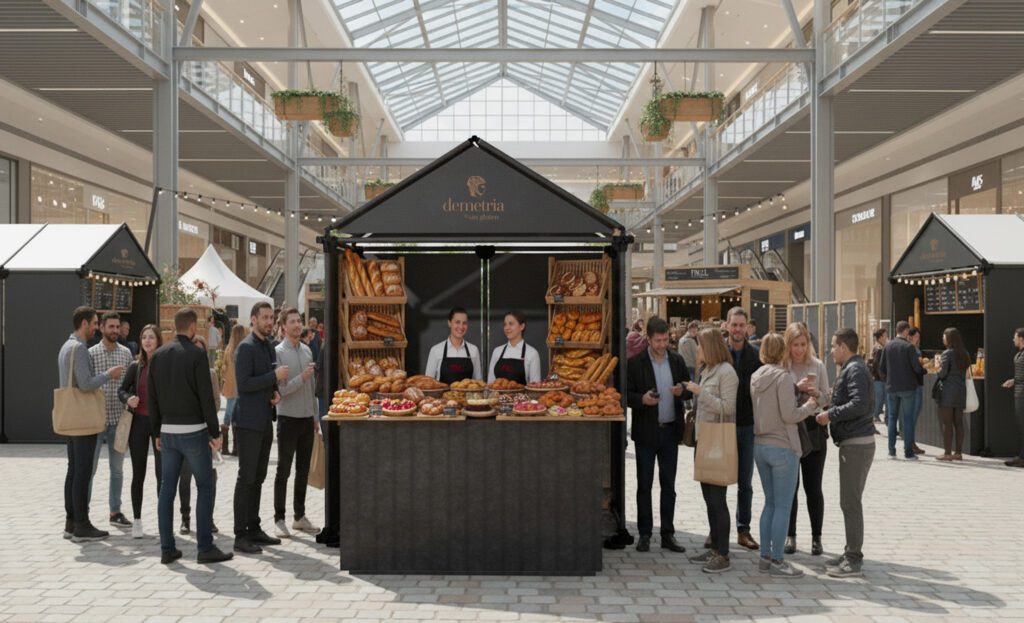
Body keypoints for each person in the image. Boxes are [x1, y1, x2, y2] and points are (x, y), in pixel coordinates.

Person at [148, 307, 232, 565]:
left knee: (167, 490)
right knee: (205, 486)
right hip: (194, 431)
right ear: (193, 327)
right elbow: (206, 397)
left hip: (167, 432)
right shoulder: (196, 355)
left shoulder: (158, 356)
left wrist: (156, 432)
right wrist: (215, 432)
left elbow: (152, 398)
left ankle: (167, 548)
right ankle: (205, 547)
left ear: (175, 326)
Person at [751, 333, 818, 578]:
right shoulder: (783, 376)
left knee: (769, 503)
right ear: (783, 351)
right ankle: (778, 560)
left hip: (760, 445)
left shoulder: (756, 376)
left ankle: (765, 558)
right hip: (783, 446)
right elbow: (790, 415)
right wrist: (810, 406)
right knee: (782, 506)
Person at [625, 316, 691, 554]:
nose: (662, 345)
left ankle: (667, 534)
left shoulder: (677, 360)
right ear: (648, 339)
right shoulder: (636, 363)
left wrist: (682, 390)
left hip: (670, 432)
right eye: (658, 341)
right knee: (644, 485)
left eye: (665, 340)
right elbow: (626, 394)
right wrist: (642, 399)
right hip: (645, 433)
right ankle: (644, 534)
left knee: (669, 486)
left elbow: (688, 388)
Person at [815, 328, 875, 578]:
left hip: (856, 443)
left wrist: (830, 414)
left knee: (850, 502)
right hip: (854, 441)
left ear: (843, 347)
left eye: (833, 346)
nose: (831, 351)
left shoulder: (855, 370)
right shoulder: (853, 368)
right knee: (848, 501)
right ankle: (850, 551)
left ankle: (853, 559)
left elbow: (859, 404)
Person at [60, 306, 123, 542]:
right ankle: (82, 526)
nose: (97, 328)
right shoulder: (79, 348)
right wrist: (108, 374)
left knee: (74, 470)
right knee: (82, 473)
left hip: (71, 417)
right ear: (84, 323)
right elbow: (86, 384)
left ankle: (71, 523)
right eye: (95, 323)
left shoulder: (66, 346)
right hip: (83, 420)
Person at [233, 301, 288, 554]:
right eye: (264, 317)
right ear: (253, 319)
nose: (269, 322)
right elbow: (244, 384)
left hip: (265, 420)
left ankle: (253, 527)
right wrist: (273, 378)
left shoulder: (268, 346)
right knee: (246, 478)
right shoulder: (246, 347)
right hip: (248, 423)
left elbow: (268, 381)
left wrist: (274, 392)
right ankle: (240, 534)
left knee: (259, 476)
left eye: (271, 318)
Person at [685, 328, 738, 573]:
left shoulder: (727, 372)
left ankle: (723, 554)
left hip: (717, 441)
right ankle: (715, 547)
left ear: (710, 347)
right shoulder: (707, 370)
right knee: (708, 498)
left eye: (700, 345)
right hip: (703, 439)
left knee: (718, 500)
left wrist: (700, 393)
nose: (697, 349)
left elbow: (727, 408)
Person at [783, 323, 832, 557]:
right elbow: (778, 398)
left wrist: (816, 394)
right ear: (788, 345)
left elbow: (827, 398)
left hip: (813, 428)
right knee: (790, 488)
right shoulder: (783, 366)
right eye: (795, 345)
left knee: (813, 487)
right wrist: (796, 388)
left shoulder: (818, 365)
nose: (799, 349)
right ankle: (790, 535)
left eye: (803, 344)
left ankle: (816, 537)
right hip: (791, 430)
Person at [273, 307, 321, 538]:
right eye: (292, 321)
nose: (297, 324)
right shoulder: (278, 353)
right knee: (283, 470)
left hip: (306, 419)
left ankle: (299, 516)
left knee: (303, 470)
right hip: (287, 418)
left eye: (298, 321)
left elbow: (312, 388)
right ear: (284, 327)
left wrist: (315, 416)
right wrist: (301, 378)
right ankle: (279, 519)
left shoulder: (307, 350)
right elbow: (281, 391)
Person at [88, 311, 135, 528]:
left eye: (117, 327)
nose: (115, 330)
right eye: (111, 327)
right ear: (102, 328)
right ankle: (84, 512)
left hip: (119, 420)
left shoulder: (126, 354)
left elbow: (130, 385)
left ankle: (115, 511)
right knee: (90, 469)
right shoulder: (90, 354)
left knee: (117, 470)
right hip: (95, 421)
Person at [117, 324, 162, 538]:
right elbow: (121, 390)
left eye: (151, 337)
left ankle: (164, 521)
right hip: (139, 424)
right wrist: (129, 398)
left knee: (162, 474)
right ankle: (137, 521)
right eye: (144, 337)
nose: (147, 341)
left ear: (158, 340)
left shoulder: (164, 365)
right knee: (139, 473)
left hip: (160, 425)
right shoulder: (136, 366)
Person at [725, 307, 762, 551]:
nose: (738, 329)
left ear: (747, 327)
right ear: (727, 325)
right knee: (717, 479)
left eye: (741, 325)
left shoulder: (757, 355)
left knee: (745, 482)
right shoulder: (718, 353)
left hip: (748, 426)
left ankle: (743, 529)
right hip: (723, 425)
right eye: (734, 324)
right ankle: (716, 529)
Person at [176, 334, 221, 536]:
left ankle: (207, 519)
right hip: (186, 431)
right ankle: (185, 519)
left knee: (209, 478)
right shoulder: (182, 372)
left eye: (201, 349)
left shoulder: (211, 374)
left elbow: (217, 402)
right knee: (185, 477)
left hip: (205, 431)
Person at [879, 321, 925, 460]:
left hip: (892, 387)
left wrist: (888, 380)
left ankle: (891, 451)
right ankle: (908, 452)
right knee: (908, 419)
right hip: (907, 388)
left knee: (892, 418)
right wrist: (923, 370)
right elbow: (917, 368)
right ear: (905, 331)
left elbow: (881, 368)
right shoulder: (909, 347)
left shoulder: (887, 346)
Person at [935, 327, 971, 461]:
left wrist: (938, 367)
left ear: (949, 338)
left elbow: (942, 374)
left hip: (948, 392)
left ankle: (947, 453)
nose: (942, 339)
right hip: (961, 391)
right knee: (959, 423)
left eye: (944, 336)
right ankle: (958, 453)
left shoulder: (947, 353)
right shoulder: (965, 353)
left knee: (947, 423)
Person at [425, 307, 483, 383]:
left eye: (464, 323)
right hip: (443, 391)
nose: (461, 327)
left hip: (467, 392)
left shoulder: (473, 350)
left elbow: (478, 382)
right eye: (457, 322)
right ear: (449, 323)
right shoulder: (436, 350)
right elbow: (428, 383)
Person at [487, 311, 541, 385]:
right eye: (505, 324)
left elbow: (535, 386)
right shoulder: (497, 351)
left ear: (522, 326)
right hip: (498, 393)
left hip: (523, 393)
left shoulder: (532, 353)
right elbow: (490, 384)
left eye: (511, 324)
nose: (507, 328)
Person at [221, 324, 248, 456]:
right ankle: (236, 447)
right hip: (240, 386)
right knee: (237, 416)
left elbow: (224, 368)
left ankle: (225, 446)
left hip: (230, 386)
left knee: (228, 413)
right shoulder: (243, 349)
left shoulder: (229, 349)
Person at [1001, 328, 1024, 467]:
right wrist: (1014, 381)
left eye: (1015, 337)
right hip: (1019, 393)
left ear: (1021, 338)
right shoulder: (1020, 354)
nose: (1013, 339)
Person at [907, 327, 926, 455]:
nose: (918, 339)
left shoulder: (913, 348)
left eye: (919, 337)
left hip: (914, 384)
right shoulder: (911, 349)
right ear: (910, 336)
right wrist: (923, 368)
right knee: (913, 414)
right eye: (916, 336)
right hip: (916, 384)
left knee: (913, 414)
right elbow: (916, 367)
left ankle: (910, 442)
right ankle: (911, 443)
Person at [868, 328, 888, 424]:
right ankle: (874, 416)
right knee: (879, 398)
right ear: (880, 337)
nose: (886, 337)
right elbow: (878, 365)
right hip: (879, 378)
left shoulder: (879, 347)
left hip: (879, 377)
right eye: (885, 335)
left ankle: (875, 416)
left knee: (881, 398)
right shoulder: (879, 349)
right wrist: (883, 377)